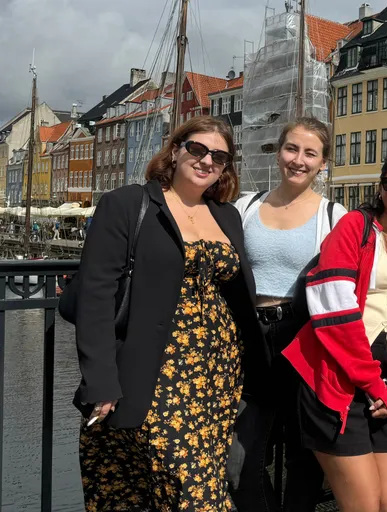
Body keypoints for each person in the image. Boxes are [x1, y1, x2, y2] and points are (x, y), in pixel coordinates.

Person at [76, 116, 263, 511]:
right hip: (156, 371)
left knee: (197, 480)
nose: (206, 161)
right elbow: (95, 294)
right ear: (176, 150)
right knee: (192, 492)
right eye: (197, 149)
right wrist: (101, 381)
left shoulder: (225, 215)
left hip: (217, 376)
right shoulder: (129, 204)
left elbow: (236, 293)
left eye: (220, 156)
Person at [281, 149, 387, 512]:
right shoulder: (355, 227)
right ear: (381, 185)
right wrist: (374, 386)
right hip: (336, 378)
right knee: (364, 506)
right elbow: (334, 311)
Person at [228, 118, 347, 511]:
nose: (298, 160)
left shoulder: (334, 217)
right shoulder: (245, 207)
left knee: (303, 460)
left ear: (323, 163)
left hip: (303, 340)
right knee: (240, 460)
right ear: (279, 153)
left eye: (310, 153)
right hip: (247, 340)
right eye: (291, 149)